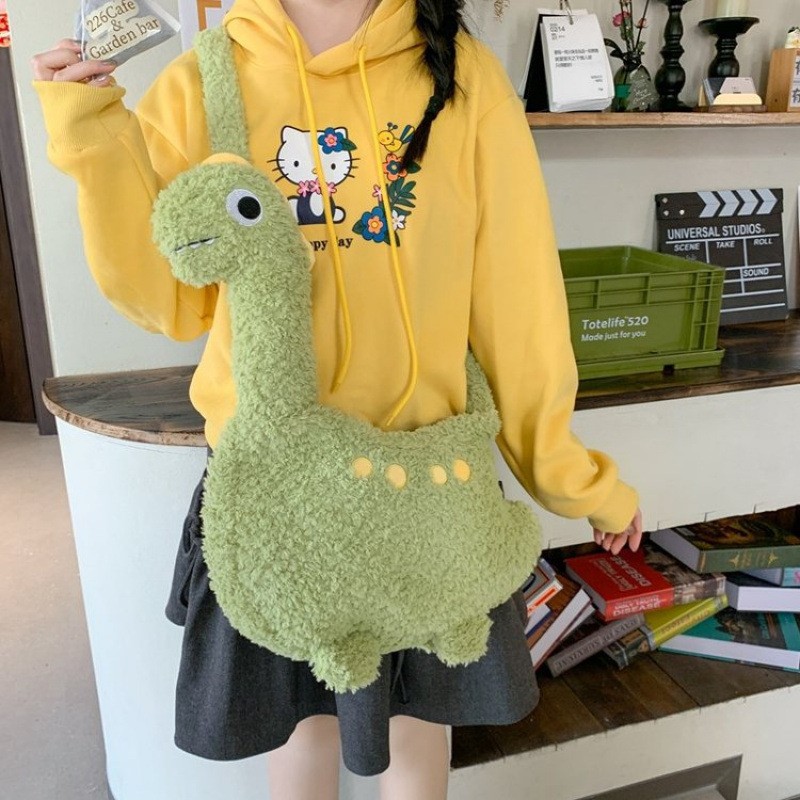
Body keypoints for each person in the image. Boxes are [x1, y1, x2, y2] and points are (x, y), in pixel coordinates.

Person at [31, 0, 642, 796]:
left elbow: (517, 301)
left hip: (428, 485)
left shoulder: (462, 77)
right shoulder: (200, 83)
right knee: (301, 727)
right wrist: (92, 136)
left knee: (419, 727)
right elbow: (170, 299)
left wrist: (570, 474)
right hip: (278, 491)